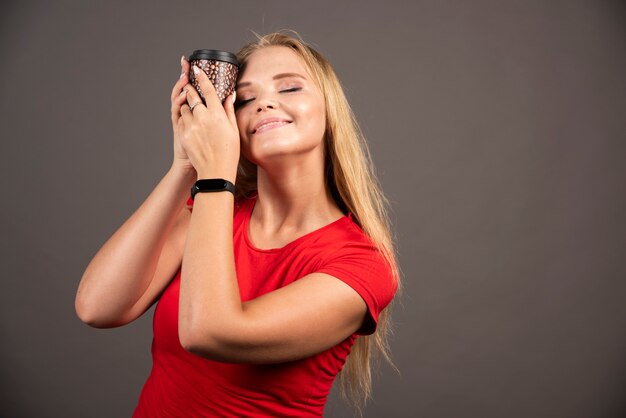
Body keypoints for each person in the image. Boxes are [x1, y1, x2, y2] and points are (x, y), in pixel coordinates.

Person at [75, 31, 400, 417]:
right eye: (244, 99)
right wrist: (186, 166)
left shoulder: (364, 266)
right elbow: (98, 307)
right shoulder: (214, 211)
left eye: (290, 88)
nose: (264, 103)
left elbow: (208, 332)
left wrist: (214, 177)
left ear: (330, 109)